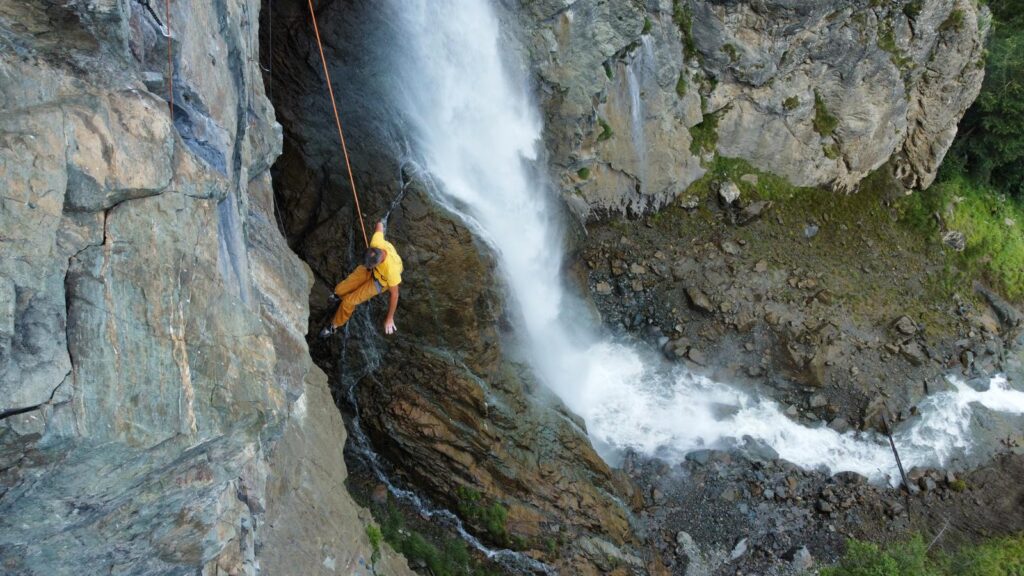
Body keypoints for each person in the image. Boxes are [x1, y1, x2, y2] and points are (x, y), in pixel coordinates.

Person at [320, 221, 402, 337]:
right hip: (374, 271)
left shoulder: (391, 271)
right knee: (344, 286)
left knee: (349, 301)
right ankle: (338, 295)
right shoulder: (376, 243)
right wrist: (381, 222)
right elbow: (379, 225)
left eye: (370, 265)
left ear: (378, 263)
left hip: (380, 282)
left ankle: (334, 326)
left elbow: (395, 295)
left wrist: (389, 318)